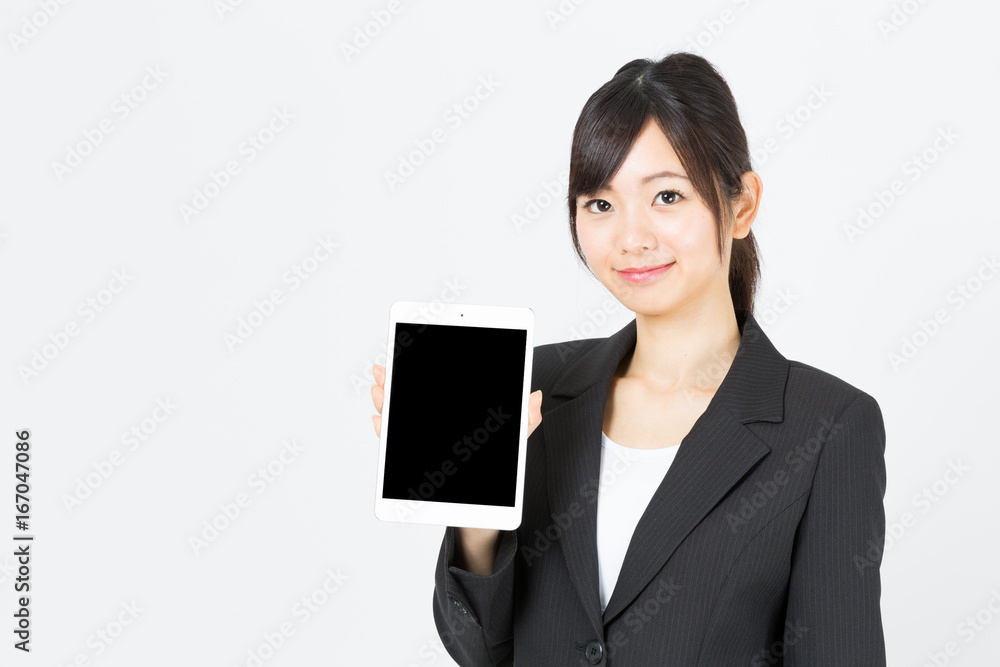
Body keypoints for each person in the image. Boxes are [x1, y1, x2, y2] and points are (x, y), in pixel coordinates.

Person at [370, 51, 887, 666]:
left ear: (742, 204)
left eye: (667, 196)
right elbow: (483, 650)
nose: (631, 238)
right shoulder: (533, 390)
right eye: (600, 204)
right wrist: (476, 514)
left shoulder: (826, 426)